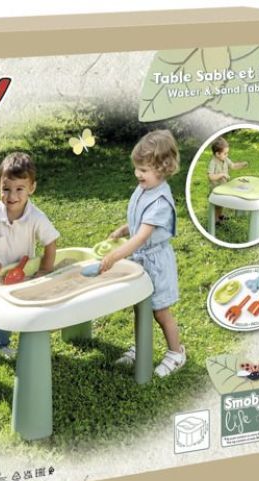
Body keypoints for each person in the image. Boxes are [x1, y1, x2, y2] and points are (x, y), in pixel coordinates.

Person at [102, 129, 186, 377]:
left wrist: (114, 256)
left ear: (162, 168)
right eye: (136, 168)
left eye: (143, 170)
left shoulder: (160, 202)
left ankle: (176, 353)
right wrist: (124, 228)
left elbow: (141, 237)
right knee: (141, 306)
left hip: (156, 263)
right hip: (142, 260)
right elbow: (140, 223)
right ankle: (142, 347)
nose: (138, 174)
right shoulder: (145, 189)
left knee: (160, 311)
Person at [0, 151, 59, 359]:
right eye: (6, 189)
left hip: (19, 275)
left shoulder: (36, 217)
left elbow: (51, 241)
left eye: (19, 189)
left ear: (32, 188)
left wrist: (45, 269)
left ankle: (1, 345)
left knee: (9, 311)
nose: (12, 196)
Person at [206, 136, 246, 225]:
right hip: (215, 189)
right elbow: (210, 176)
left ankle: (220, 216)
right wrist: (222, 174)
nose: (227, 155)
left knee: (221, 204)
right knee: (217, 205)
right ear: (217, 154)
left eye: (227, 153)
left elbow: (233, 166)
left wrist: (241, 164)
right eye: (225, 153)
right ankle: (216, 220)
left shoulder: (225, 159)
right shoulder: (213, 162)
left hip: (223, 187)